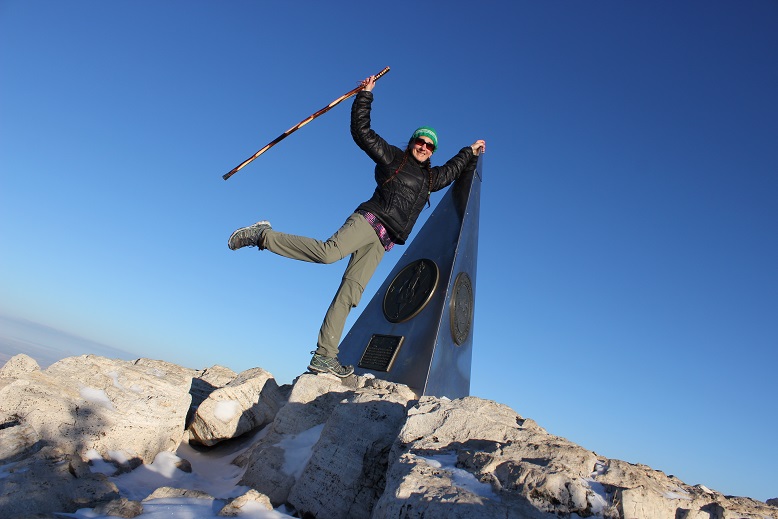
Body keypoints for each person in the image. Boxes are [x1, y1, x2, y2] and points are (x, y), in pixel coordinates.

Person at [228, 75, 486, 378]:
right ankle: (262, 235)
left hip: (384, 241)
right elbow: (362, 132)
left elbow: (452, 172)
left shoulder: (431, 179)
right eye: (420, 141)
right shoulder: (393, 158)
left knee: (350, 294)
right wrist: (365, 96)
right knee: (328, 253)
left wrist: (469, 151)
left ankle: (325, 356)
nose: (424, 147)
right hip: (369, 220)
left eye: (430, 146)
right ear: (413, 141)